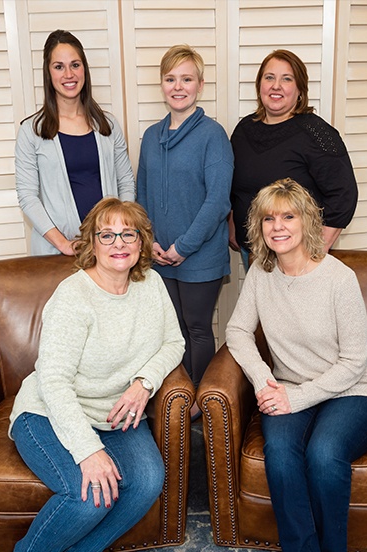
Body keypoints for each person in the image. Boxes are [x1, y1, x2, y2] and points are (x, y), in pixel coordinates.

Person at [8, 198, 185, 552]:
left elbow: (174, 342)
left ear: (141, 242)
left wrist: (144, 383)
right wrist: (88, 451)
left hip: (113, 413)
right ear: (91, 243)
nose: (118, 243)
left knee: (148, 481)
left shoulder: (151, 284)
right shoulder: (74, 297)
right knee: (90, 498)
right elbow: (54, 382)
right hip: (48, 412)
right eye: (107, 235)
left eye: (127, 234)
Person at [225, 179, 367, 552]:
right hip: (285, 387)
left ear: (307, 222)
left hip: (353, 391)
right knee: (280, 453)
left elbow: (353, 361)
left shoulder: (338, 278)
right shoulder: (260, 275)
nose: (277, 226)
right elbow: (236, 330)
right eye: (268, 218)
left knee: (324, 454)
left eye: (288, 216)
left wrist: (295, 397)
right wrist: (264, 380)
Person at [137, 45, 233, 417]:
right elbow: (141, 195)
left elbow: (217, 202)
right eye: (171, 78)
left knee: (196, 328)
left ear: (200, 85)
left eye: (187, 79)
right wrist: (151, 243)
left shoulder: (213, 135)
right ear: (162, 85)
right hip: (159, 255)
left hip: (199, 256)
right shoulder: (150, 136)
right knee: (170, 331)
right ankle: (175, 395)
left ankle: (198, 400)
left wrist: (183, 247)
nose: (179, 86)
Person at [229, 49, 358, 268]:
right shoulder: (244, 129)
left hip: (296, 255)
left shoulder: (317, 133)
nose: (276, 86)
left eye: (286, 79)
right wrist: (232, 223)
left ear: (300, 90)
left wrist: (315, 250)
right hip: (250, 250)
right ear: (260, 85)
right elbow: (235, 185)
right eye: (269, 77)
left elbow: (344, 194)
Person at [15, 30, 135, 256]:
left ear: (84, 70)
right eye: (59, 66)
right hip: (55, 253)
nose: (68, 74)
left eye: (75, 65)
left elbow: (126, 183)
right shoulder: (31, 132)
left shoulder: (108, 125)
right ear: (48, 73)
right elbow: (27, 197)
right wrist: (63, 244)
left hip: (108, 252)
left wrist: (118, 233)